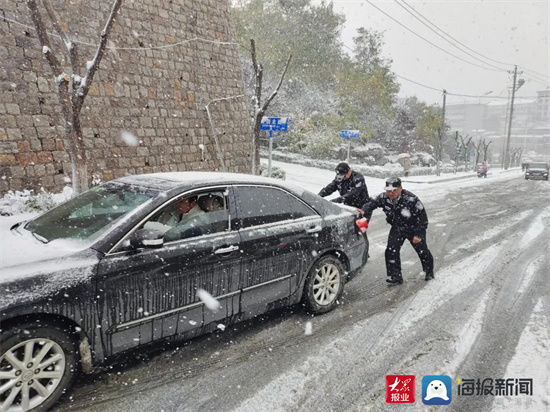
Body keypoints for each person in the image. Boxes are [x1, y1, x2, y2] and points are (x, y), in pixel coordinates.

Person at [360, 177, 434, 286]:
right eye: (388, 191)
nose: (391, 193)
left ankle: (429, 272)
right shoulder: (383, 197)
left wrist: (418, 234)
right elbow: (372, 204)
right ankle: (395, 276)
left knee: (422, 250)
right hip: (397, 227)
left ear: (400, 189)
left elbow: (423, 218)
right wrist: (364, 209)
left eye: (394, 190)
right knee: (391, 250)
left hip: (414, 227)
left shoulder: (411, 199)